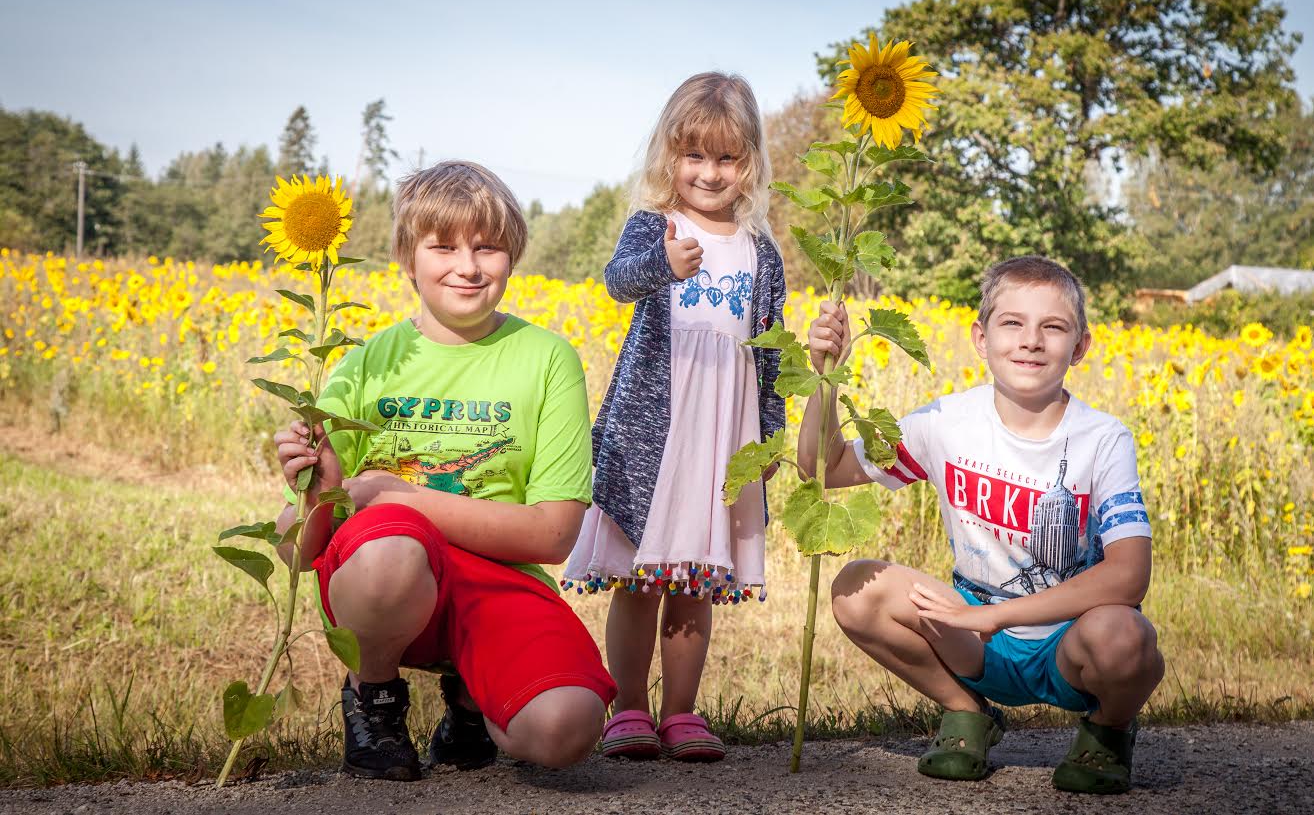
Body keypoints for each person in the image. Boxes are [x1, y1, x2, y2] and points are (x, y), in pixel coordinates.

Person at [273, 161, 616, 781]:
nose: (468, 265)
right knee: (392, 550)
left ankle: (469, 702)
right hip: (387, 576)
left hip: (497, 579)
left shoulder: (546, 359)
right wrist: (315, 489)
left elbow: (556, 536)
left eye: (488, 246)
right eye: (444, 246)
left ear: (513, 255)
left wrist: (400, 495)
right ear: (408, 258)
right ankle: (374, 704)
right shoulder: (362, 367)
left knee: (567, 726)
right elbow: (297, 553)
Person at [799, 256, 1163, 794]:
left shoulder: (1103, 439)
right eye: (1012, 323)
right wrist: (824, 373)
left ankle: (1107, 730)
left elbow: (1129, 576)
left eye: (1053, 327)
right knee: (856, 589)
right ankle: (966, 711)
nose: (1031, 341)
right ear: (981, 337)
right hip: (969, 635)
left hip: (1069, 643)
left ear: (1080, 347)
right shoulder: (945, 423)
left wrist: (1000, 616)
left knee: (1127, 636)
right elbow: (823, 469)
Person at [562, 72, 786, 762]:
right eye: (693, 156)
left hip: (721, 435)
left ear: (748, 164)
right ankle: (628, 706)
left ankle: (681, 712)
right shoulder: (657, 228)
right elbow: (618, 277)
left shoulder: (762, 252)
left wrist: (772, 429)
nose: (708, 172)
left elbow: (770, 348)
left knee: (695, 583)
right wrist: (663, 262)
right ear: (670, 157)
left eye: (725, 157)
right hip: (654, 433)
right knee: (638, 580)